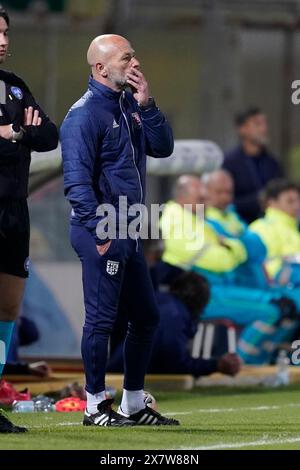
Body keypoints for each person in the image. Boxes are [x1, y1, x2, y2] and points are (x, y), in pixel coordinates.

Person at [60, 34, 178, 427]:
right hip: (102, 230)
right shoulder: (83, 115)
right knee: (101, 320)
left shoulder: (130, 105)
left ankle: (132, 403)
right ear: (100, 68)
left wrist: (149, 104)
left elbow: (163, 149)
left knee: (145, 317)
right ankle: (94, 406)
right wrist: (101, 230)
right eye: (126, 57)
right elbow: (75, 184)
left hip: (129, 229)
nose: (135, 62)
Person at [159, 176, 296, 364]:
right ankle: (242, 365)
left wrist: (230, 247)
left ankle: (260, 363)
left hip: (218, 290)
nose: (207, 203)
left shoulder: (201, 219)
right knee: (272, 311)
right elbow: (221, 261)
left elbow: (256, 249)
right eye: (201, 199)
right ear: (183, 198)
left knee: (283, 305)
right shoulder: (177, 223)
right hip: (202, 296)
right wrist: (237, 248)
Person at [0, 6, 58, 433]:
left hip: (14, 210)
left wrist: (16, 133)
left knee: (8, 307)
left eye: (5, 33)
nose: (3, 41)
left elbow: (48, 135)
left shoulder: (15, 88)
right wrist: (17, 134)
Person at [108, 263, 241, 378]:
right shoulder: (174, 315)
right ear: (200, 302)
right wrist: (216, 365)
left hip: (118, 366)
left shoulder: (164, 303)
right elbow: (175, 363)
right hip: (122, 373)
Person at [223, 107, 283, 223]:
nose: (264, 129)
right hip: (239, 226)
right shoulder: (230, 162)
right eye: (257, 124)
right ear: (242, 129)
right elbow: (224, 201)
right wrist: (257, 200)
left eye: (265, 123)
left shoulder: (272, 163)